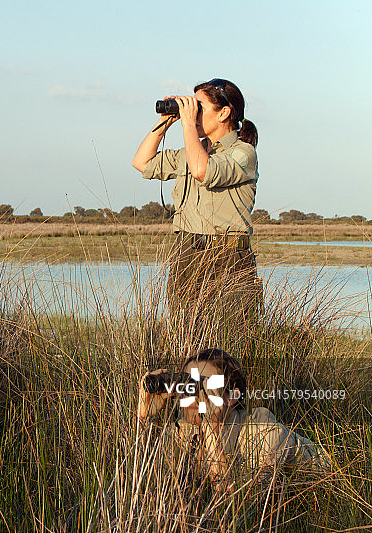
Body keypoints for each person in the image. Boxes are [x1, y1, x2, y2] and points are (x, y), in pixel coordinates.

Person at [131, 79, 262, 328]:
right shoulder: (191, 152)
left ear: (224, 113)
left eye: (199, 107)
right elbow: (142, 162)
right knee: (187, 335)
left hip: (228, 255)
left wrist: (189, 124)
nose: (193, 113)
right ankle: (191, 370)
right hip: (187, 253)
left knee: (229, 338)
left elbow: (203, 171)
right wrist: (164, 123)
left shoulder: (243, 153)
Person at [137, 348, 329, 492]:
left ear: (232, 396)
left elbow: (241, 507)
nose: (195, 395)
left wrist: (213, 429)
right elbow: (145, 481)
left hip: (328, 482)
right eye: (186, 384)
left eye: (205, 386)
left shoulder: (265, 432)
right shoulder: (184, 430)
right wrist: (144, 417)